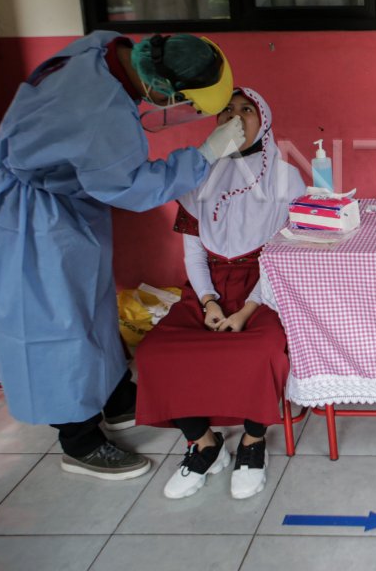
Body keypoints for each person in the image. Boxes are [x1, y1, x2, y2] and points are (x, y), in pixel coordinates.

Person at [0, 31, 244, 480]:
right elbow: (134, 186)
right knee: (56, 322)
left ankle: (114, 396)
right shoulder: (100, 114)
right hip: (30, 222)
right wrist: (205, 153)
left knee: (90, 308)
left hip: (63, 208)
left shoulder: (103, 48)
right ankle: (79, 440)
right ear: (162, 90)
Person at [136, 88, 304, 500]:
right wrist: (209, 302)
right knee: (155, 352)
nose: (234, 118)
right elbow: (193, 252)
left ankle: (252, 441)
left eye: (246, 110)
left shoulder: (287, 178)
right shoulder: (196, 177)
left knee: (258, 349)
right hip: (208, 285)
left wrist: (247, 311)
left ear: (263, 120)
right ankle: (205, 443)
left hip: (265, 286)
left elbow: (284, 256)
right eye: (225, 111)